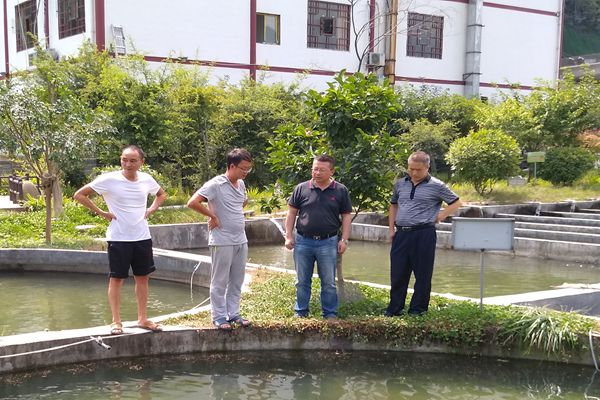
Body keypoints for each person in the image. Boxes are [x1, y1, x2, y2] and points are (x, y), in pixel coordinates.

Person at [74, 145, 167, 335]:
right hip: (118, 238)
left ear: (142, 162)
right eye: (124, 159)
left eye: (133, 160)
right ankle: (116, 321)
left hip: (142, 236)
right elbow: (79, 195)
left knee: (143, 278)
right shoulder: (109, 179)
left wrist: (151, 209)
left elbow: (161, 194)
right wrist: (101, 212)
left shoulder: (146, 179)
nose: (128, 164)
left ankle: (142, 318)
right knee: (116, 279)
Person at [385, 151, 462, 317]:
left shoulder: (437, 185)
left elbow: (456, 202)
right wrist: (391, 229)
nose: (414, 173)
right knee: (398, 273)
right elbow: (394, 205)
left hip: (423, 234)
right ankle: (394, 308)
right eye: (411, 169)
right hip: (401, 233)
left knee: (422, 274)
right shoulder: (400, 184)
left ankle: (417, 309)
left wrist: (441, 215)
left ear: (427, 168)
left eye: (418, 169)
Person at [187, 148, 253, 331]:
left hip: (240, 239)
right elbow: (192, 202)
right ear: (232, 166)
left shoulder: (240, 184)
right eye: (243, 168)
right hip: (221, 239)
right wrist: (213, 216)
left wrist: (232, 211)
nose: (246, 172)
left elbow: (242, 201)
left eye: (248, 169)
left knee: (237, 279)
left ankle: (234, 313)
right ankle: (218, 316)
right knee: (220, 280)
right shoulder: (215, 184)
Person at [284, 155, 352, 319]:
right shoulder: (301, 188)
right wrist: (288, 236)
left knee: (328, 282)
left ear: (332, 171)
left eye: (322, 170)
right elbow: (291, 213)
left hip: (328, 242)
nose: (317, 173)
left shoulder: (340, 190)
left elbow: (346, 216)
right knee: (302, 280)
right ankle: (301, 311)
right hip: (303, 241)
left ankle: (329, 313)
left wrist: (344, 240)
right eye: (315, 169)